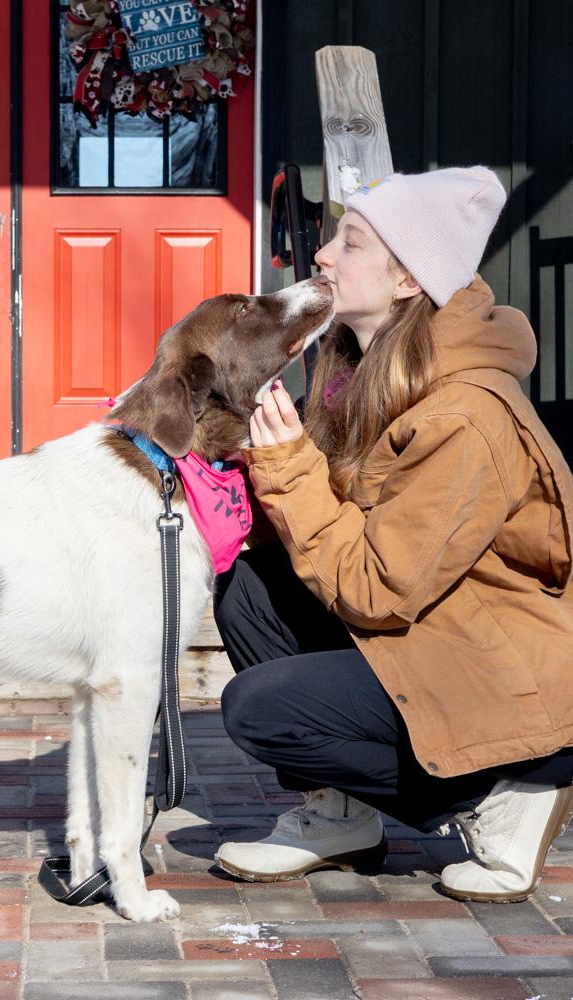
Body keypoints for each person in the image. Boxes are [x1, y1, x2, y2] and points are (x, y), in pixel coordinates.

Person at [213, 166, 573, 902]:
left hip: (501, 676)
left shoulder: (463, 415)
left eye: (350, 243)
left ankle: (505, 793)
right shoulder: (362, 372)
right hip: (439, 633)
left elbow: (378, 589)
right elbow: (328, 524)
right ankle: (341, 816)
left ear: (408, 279)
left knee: (262, 708)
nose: (322, 255)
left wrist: (287, 468)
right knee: (250, 591)